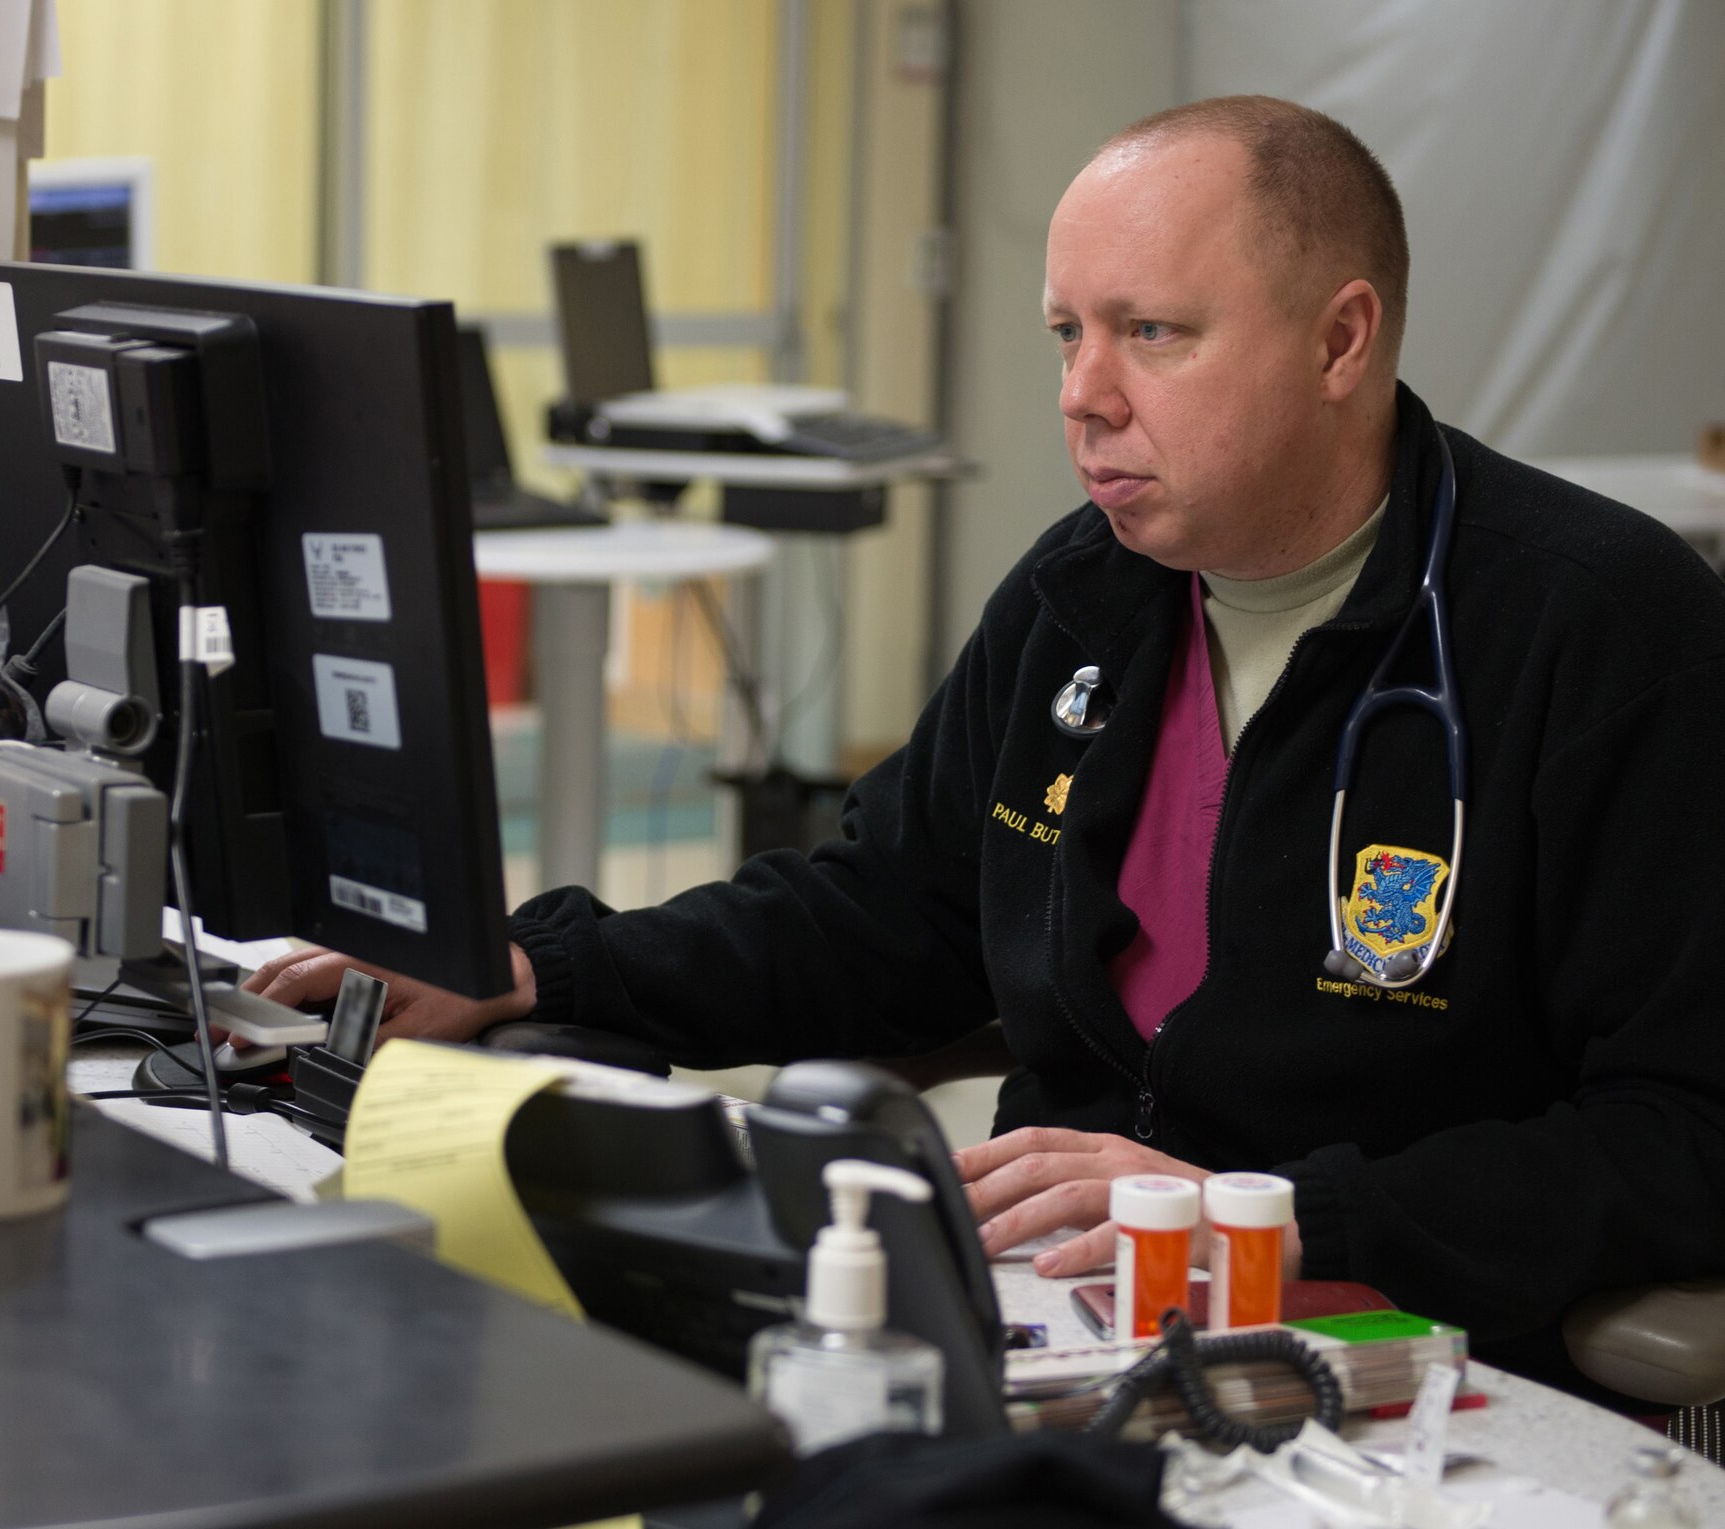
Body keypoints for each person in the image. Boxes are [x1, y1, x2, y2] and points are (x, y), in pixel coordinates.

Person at [250, 96, 1725, 1393]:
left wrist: (1271, 1212)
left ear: (1341, 338)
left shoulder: (1594, 628)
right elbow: (890, 910)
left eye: (1154, 331)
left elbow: (1687, 1128)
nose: (1085, 392)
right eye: (1068, 332)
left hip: (1387, 1352)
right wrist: (533, 967)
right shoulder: (1084, 595)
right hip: (1049, 1323)